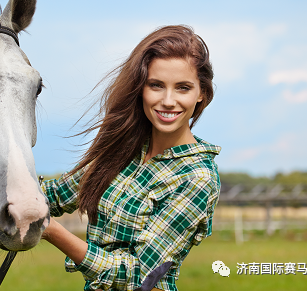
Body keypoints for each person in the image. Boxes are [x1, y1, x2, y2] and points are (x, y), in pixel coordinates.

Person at [41, 25, 221, 291]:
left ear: (201, 93)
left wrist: (50, 230)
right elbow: (53, 196)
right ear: (141, 89)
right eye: (156, 85)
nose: (168, 100)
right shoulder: (121, 151)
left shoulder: (198, 177)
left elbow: (138, 276)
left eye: (183, 88)